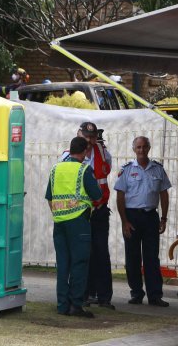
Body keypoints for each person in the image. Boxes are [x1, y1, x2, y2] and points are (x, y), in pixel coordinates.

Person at [46, 136, 102, 318]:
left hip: (59, 222)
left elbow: (49, 197)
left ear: (69, 150)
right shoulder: (84, 169)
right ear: (85, 151)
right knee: (79, 263)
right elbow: (97, 195)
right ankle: (76, 305)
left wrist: (59, 213)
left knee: (63, 264)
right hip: (78, 222)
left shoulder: (55, 169)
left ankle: (62, 305)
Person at [114, 136, 172, 307]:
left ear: (149, 148)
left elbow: (164, 195)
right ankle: (136, 293)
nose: (141, 150)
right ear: (134, 149)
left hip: (150, 216)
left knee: (152, 258)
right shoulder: (126, 169)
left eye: (144, 147)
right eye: (138, 147)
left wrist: (164, 218)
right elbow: (120, 196)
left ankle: (155, 296)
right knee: (132, 257)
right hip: (131, 217)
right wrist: (124, 221)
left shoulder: (158, 169)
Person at [74, 121, 114, 309]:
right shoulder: (70, 155)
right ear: (79, 134)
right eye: (86, 136)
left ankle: (104, 297)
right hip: (81, 212)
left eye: (92, 137)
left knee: (101, 253)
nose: (89, 140)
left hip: (99, 210)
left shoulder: (104, 153)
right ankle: (84, 294)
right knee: (83, 253)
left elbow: (106, 172)